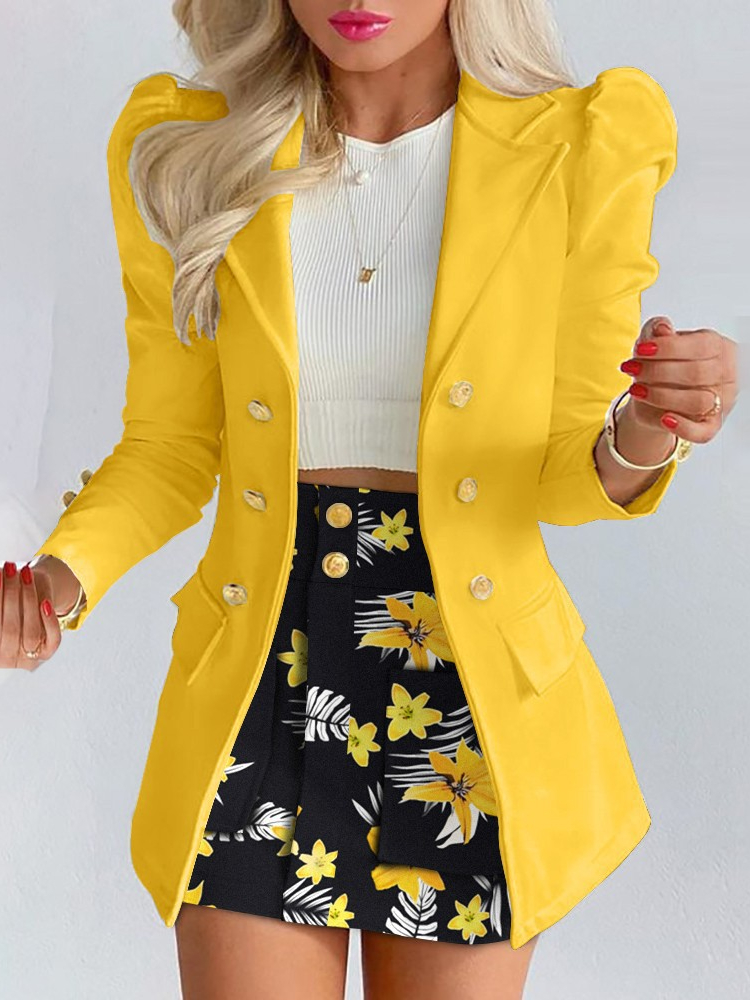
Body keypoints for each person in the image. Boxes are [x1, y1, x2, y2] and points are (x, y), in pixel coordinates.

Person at [3, 1, 736, 998]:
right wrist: (58, 578)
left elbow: (564, 468)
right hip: (262, 678)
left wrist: (650, 421)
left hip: (465, 694)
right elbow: (171, 446)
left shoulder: (579, 148)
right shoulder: (196, 149)